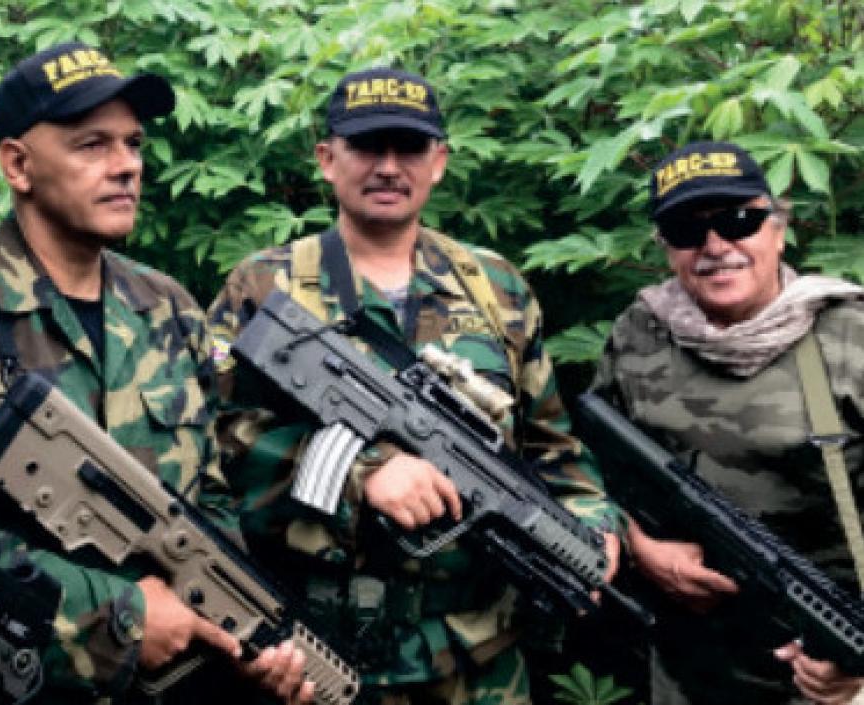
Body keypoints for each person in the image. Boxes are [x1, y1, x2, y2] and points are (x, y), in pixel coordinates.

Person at [0, 42, 309, 704]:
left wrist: (242, 632)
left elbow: (213, 497)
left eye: (134, 144)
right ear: (17, 165)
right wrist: (124, 611)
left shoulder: (172, 308)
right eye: (92, 145)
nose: (126, 167)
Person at [207, 67, 622, 704]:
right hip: (316, 657)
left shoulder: (497, 288)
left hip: (477, 658)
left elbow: (554, 450)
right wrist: (360, 470)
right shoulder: (264, 286)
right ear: (327, 159)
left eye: (409, 148)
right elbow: (210, 443)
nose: (389, 167)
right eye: (369, 147)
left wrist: (593, 525)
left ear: (440, 162)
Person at [592, 140, 864, 705]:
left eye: (738, 221)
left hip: (829, 674)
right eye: (689, 232)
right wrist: (642, 546)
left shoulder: (850, 339)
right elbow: (589, 469)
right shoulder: (639, 335)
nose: (716, 247)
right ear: (667, 248)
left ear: (777, 228)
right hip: (690, 675)